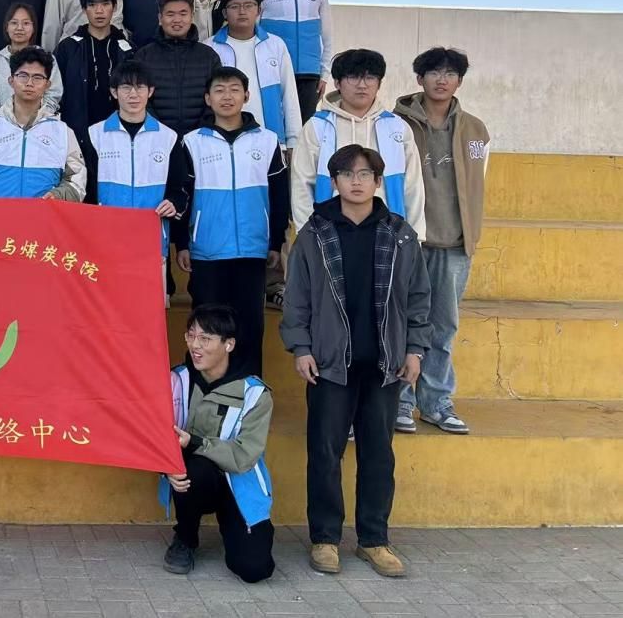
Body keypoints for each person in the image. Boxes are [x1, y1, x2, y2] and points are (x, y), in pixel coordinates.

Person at [280, 144, 431, 579]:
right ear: (334, 182)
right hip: (330, 365)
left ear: (378, 181)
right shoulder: (315, 234)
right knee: (325, 453)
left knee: (378, 455)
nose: (357, 181)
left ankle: (373, 540)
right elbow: (297, 297)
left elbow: (419, 297)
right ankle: (325, 539)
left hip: (385, 365)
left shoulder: (400, 234)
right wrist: (301, 348)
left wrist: (415, 348)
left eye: (365, 174)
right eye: (347, 174)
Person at [393, 47, 490, 436]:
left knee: (443, 326)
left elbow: (478, 183)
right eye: (434, 72)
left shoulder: (475, 130)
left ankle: (435, 402)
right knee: (401, 322)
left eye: (450, 73)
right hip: (407, 241)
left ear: (460, 81)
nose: (442, 79)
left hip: (454, 241)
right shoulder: (396, 125)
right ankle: (399, 400)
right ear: (420, 79)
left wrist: (471, 233)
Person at [171, 68, 288, 376]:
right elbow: (183, 196)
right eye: (219, 90)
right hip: (207, 252)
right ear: (207, 98)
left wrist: (275, 241)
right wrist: (182, 243)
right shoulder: (192, 142)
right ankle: (202, 391)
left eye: (234, 89)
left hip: (252, 250)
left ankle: (248, 391)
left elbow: (279, 195)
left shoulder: (267, 141)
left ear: (246, 96)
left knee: (249, 327)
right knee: (205, 329)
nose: (227, 96)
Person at [163, 304, 275, 583]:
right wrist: (166, 468)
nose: (195, 346)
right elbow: (154, 435)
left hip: (238, 484)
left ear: (229, 344)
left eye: (206, 339)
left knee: (255, 569)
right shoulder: (176, 381)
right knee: (193, 468)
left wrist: (196, 442)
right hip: (194, 478)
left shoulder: (254, 394)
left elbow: (244, 456)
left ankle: (242, 529)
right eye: (191, 336)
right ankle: (186, 537)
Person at [291, 48, 426, 240]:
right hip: (330, 236)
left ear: (379, 83)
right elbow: (301, 186)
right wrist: (308, 238)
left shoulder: (397, 127)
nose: (362, 85)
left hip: (388, 236)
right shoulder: (317, 127)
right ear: (337, 82)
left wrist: (415, 238)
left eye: (370, 77)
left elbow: (413, 187)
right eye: (353, 77)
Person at [86, 61, 179, 277]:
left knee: (150, 298)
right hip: (104, 241)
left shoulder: (168, 137)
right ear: (114, 92)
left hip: (151, 240)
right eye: (126, 87)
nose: (133, 94)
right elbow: (87, 189)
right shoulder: (95, 135)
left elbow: (179, 186)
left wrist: (174, 202)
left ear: (150, 91)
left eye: (140, 87)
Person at [0, 47, 86, 200]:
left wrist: (59, 195)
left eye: (38, 77)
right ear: (11, 81)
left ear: (47, 85)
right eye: (23, 76)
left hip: (43, 215)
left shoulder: (62, 132)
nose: (29, 83)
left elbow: (77, 180)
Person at [54, 0, 133, 202]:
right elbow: (56, 92)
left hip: (115, 133)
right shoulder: (68, 47)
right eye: (92, 5)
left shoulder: (126, 49)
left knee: (111, 191)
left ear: (114, 7)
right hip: (77, 131)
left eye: (105, 4)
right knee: (79, 191)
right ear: (84, 9)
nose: (99, 11)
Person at [204, 0, 302, 151]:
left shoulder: (275, 45)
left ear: (259, 10)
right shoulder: (210, 47)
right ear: (225, 13)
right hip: (223, 140)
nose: (242, 11)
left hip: (271, 139)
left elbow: (289, 95)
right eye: (234, 6)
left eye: (249, 5)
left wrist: (293, 141)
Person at [259, 0, 333, 126]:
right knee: (274, 125)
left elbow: (327, 35)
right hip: (273, 71)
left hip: (309, 73)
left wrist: (324, 74)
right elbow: (254, 32)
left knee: (304, 128)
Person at [135, 0, 222, 138]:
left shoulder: (208, 56)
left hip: (201, 137)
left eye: (183, 14)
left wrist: (199, 131)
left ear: (192, 17)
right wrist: (160, 131)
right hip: (155, 137)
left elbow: (217, 94)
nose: (177, 20)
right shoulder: (144, 56)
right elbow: (137, 96)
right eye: (170, 14)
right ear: (160, 18)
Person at [0, 2, 63, 117]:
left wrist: (33, 118)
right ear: (6, 27)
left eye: (26, 23)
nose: (19, 28)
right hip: (0, 124)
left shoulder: (46, 59)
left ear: (34, 28)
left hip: (40, 123)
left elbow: (53, 96)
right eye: (14, 23)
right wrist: (10, 119)